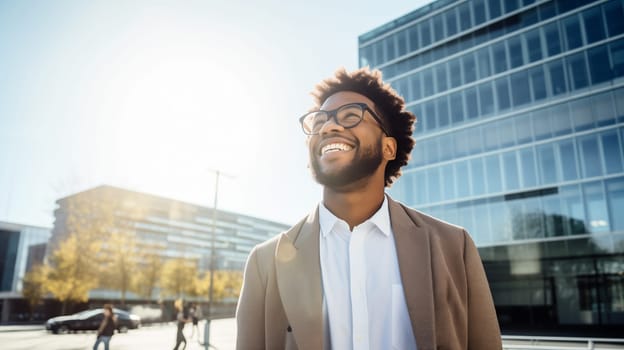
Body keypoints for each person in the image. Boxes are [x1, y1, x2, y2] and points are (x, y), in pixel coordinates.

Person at [236, 67, 502, 350]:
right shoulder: (265, 262)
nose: (328, 127)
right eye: (319, 122)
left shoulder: (453, 247)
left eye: (351, 116)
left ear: (388, 148)